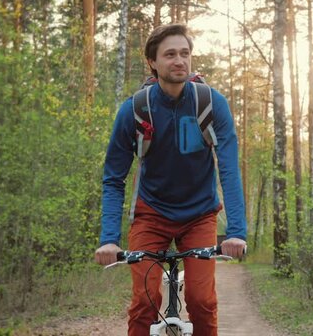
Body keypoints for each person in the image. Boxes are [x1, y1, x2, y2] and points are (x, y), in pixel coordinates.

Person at [94, 23, 247, 336]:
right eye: (170, 54)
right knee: (143, 304)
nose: (180, 60)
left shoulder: (211, 104)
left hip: (200, 215)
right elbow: (113, 178)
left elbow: (229, 170)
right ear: (153, 62)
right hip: (151, 215)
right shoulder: (135, 110)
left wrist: (236, 233)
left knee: (202, 301)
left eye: (185, 53)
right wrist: (109, 238)